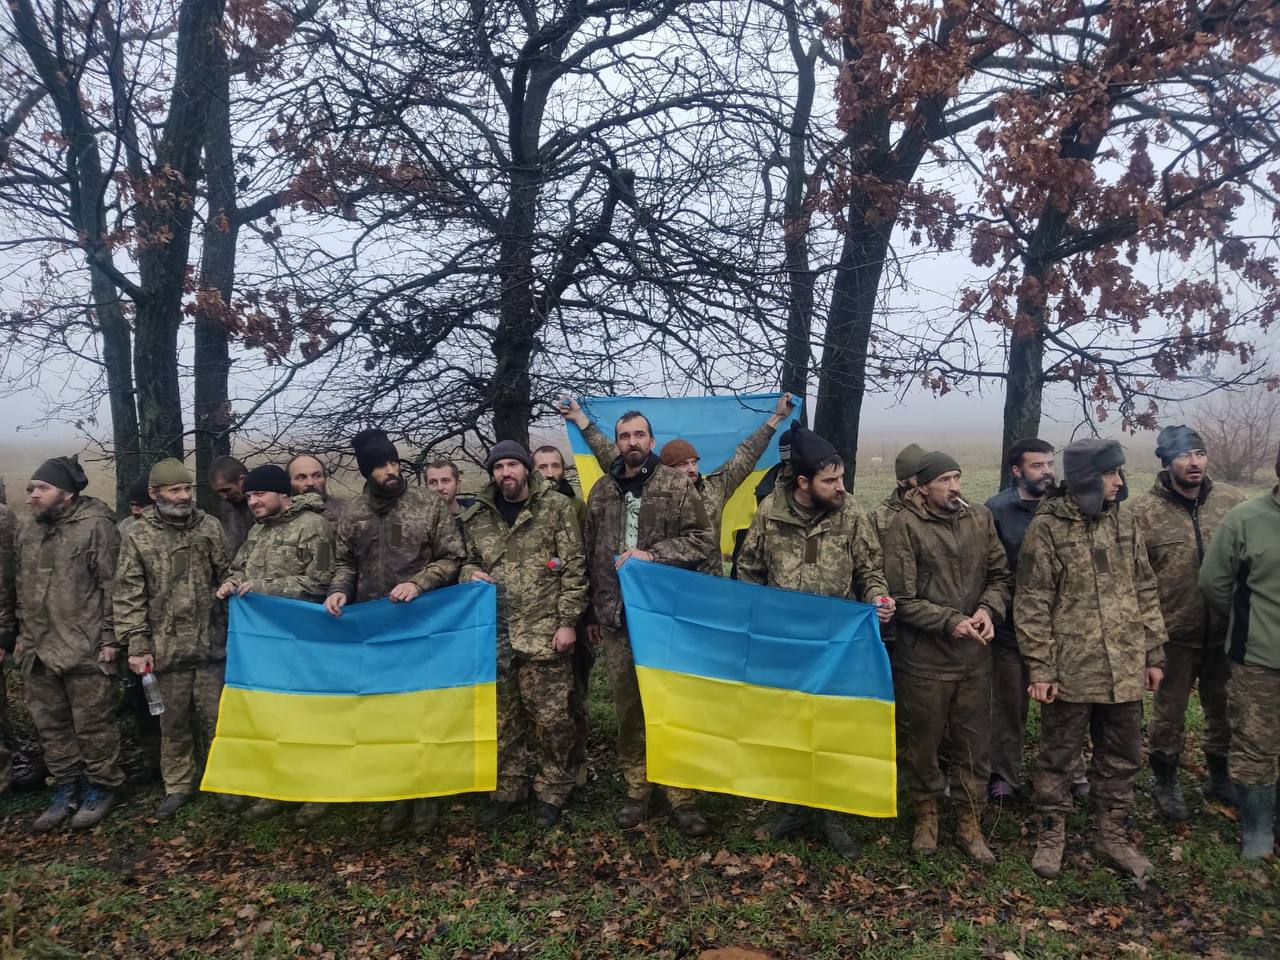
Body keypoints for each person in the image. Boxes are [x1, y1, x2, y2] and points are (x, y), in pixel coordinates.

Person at [737, 424, 895, 858]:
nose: (841, 487)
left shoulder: (851, 512)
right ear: (803, 482)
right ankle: (792, 805)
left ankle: (829, 811)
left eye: (841, 478)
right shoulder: (769, 513)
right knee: (788, 725)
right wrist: (760, 624)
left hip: (836, 646)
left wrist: (877, 598)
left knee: (831, 726)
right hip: (785, 645)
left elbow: (870, 569)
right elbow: (749, 572)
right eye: (831, 480)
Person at [1017, 439, 1166, 881]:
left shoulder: (1124, 521)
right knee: (1059, 756)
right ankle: (1051, 833)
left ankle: (1112, 835)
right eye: (1109, 473)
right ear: (1086, 478)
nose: (1119, 481)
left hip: (1124, 665)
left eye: (1119, 472)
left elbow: (1145, 587)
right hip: (1071, 669)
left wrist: (1153, 653)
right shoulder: (1047, 528)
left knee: (1122, 756)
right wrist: (1041, 667)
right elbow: (1032, 602)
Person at [582, 409, 717, 835]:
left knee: (672, 703)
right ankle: (637, 787)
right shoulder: (602, 490)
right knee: (629, 706)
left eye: (639, 434)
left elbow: (703, 541)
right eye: (624, 436)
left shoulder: (676, 485)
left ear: (651, 440)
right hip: (617, 617)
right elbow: (589, 552)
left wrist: (653, 555)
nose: (632, 442)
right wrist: (592, 612)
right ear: (617, 443)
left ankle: (681, 794)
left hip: (666, 616)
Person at [325, 429, 466, 835]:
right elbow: (345, 563)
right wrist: (339, 590)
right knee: (386, 713)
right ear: (366, 472)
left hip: (423, 625)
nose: (391, 471)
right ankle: (398, 792)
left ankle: (428, 794)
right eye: (380, 466)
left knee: (423, 710)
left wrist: (419, 583)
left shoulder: (427, 504)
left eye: (393, 463)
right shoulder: (352, 513)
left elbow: (453, 557)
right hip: (374, 630)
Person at [884, 451, 1011, 864]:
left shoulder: (980, 519)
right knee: (921, 744)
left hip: (974, 660)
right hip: (923, 663)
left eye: (957, 477)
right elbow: (901, 599)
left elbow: (1000, 576)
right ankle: (926, 817)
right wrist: (948, 621)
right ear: (922, 487)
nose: (955, 487)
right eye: (944, 480)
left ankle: (970, 821)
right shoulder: (905, 526)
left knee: (974, 744)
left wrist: (988, 609)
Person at [461, 441, 589, 827]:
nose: (506, 473)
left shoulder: (555, 508)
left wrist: (568, 622)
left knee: (552, 719)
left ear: (526, 468)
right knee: (504, 718)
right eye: (499, 467)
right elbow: (467, 560)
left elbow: (574, 567)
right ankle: (509, 787)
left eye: (512, 465)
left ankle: (553, 789)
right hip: (497, 633)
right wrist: (469, 573)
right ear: (492, 473)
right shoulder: (477, 516)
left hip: (544, 630)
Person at [1133, 425, 1246, 820]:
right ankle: (1166, 781)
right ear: (1167, 461)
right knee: (1169, 714)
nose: (1194, 462)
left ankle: (1220, 776)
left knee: (1225, 707)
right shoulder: (1142, 513)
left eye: (1199, 453)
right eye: (1184, 455)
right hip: (1173, 633)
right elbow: (1135, 580)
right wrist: (1148, 637)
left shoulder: (1232, 503)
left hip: (1227, 631)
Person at [217, 464, 336, 826]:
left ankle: (316, 791)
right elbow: (239, 568)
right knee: (271, 717)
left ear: (282, 494)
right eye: (249, 496)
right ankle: (277, 788)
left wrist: (264, 589)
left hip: (304, 642)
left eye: (259, 494)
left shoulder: (315, 527)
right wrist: (232, 582)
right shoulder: (257, 531)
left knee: (307, 718)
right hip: (265, 645)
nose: (252, 501)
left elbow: (321, 580)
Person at [116, 458, 232, 821]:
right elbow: (128, 593)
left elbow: (227, 571)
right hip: (166, 651)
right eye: (175, 490)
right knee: (173, 724)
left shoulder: (209, 527)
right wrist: (137, 646)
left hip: (211, 646)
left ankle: (224, 782)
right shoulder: (137, 535)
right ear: (155, 494)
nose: (183, 496)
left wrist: (230, 584)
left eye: (187, 489)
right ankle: (178, 785)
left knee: (219, 720)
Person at [13, 456, 125, 831]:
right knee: (51, 726)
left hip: (85, 647)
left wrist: (111, 638)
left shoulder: (97, 527)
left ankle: (101, 786)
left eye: (41, 488)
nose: (33, 495)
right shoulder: (29, 530)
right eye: (31, 488)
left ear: (67, 493)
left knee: (93, 725)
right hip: (38, 649)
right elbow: (19, 586)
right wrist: (21, 634)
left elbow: (113, 587)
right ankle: (66, 786)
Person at [564, 393, 795, 573]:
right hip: (666, 582)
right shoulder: (655, 486)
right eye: (682, 464)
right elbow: (613, 453)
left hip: (706, 583)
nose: (691, 469)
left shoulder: (715, 488)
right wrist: (580, 419)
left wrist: (777, 418)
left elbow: (746, 454)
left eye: (694, 462)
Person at [983, 438, 1083, 802]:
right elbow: (990, 569)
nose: (1047, 472)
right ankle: (1004, 776)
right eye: (1037, 466)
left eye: (1050, 465)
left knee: (1067, 706)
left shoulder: (1066, 508)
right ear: (1017, 471)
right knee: (1008, 707)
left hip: (1061, 627)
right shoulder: (995, 511)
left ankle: (1072, 772)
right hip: (1011, 627)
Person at [1198, 443, 1280, 860]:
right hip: (1259, 660)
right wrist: (1248, 620)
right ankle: (1259, 831)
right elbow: (1213, 581)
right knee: (1255, 744)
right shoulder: (1246, 519)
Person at [531, 442, 593, 790]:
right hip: (534, 617)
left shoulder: (576, 506)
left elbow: (583, 560)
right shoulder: (527, 507)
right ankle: (545, 760)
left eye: (555, 466)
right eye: (542, 467)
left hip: (573, 612)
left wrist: (586, 615)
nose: (550, 473)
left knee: (576, 691)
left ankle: (578, 759)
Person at [286, 453, 348, 525]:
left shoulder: (346, 512)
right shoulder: (281, 517)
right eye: (301, 477)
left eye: (317, 476)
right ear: (288, 482)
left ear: (324, 478)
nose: (310, 483)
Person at [209, 456, 253, 556]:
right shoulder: (226, 506)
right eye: (219, 492)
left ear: (242, 480)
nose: (224, 497)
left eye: (226, 490)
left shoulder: (263, 504)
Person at [118, 473, 154, 539]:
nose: (134, 511)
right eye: (132, 505)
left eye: (141, 505)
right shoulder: (125, 526)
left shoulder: (170, 528)